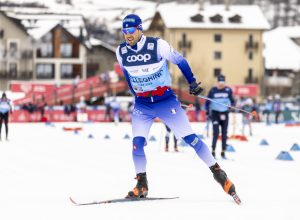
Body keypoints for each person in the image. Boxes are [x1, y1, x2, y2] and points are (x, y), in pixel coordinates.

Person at [115, 14, 241, 204]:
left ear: (140, 29)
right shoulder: (121, 51)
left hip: (165, 101)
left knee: (191, 139)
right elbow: (126, 73)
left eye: (131, 30)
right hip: (143, 104)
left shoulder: (157, 45)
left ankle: (220, 175)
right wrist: (135, 92)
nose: (128, 35)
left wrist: (192, 83)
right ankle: (142, 183)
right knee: (137, 144)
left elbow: (180, 60)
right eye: (124, 31)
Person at [205, 75, 235, 159]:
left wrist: (232, 106)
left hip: (224, 113)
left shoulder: (228, 90)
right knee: (216, 133)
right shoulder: (213, 90)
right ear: (217, 82)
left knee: (224, 133)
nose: (221, 84)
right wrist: (207, 111)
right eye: (219, 83)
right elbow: (207, 102)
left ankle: (223, 151)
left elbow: (232, 101)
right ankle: (213, 151)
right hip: (215, 113)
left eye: (223, 83)